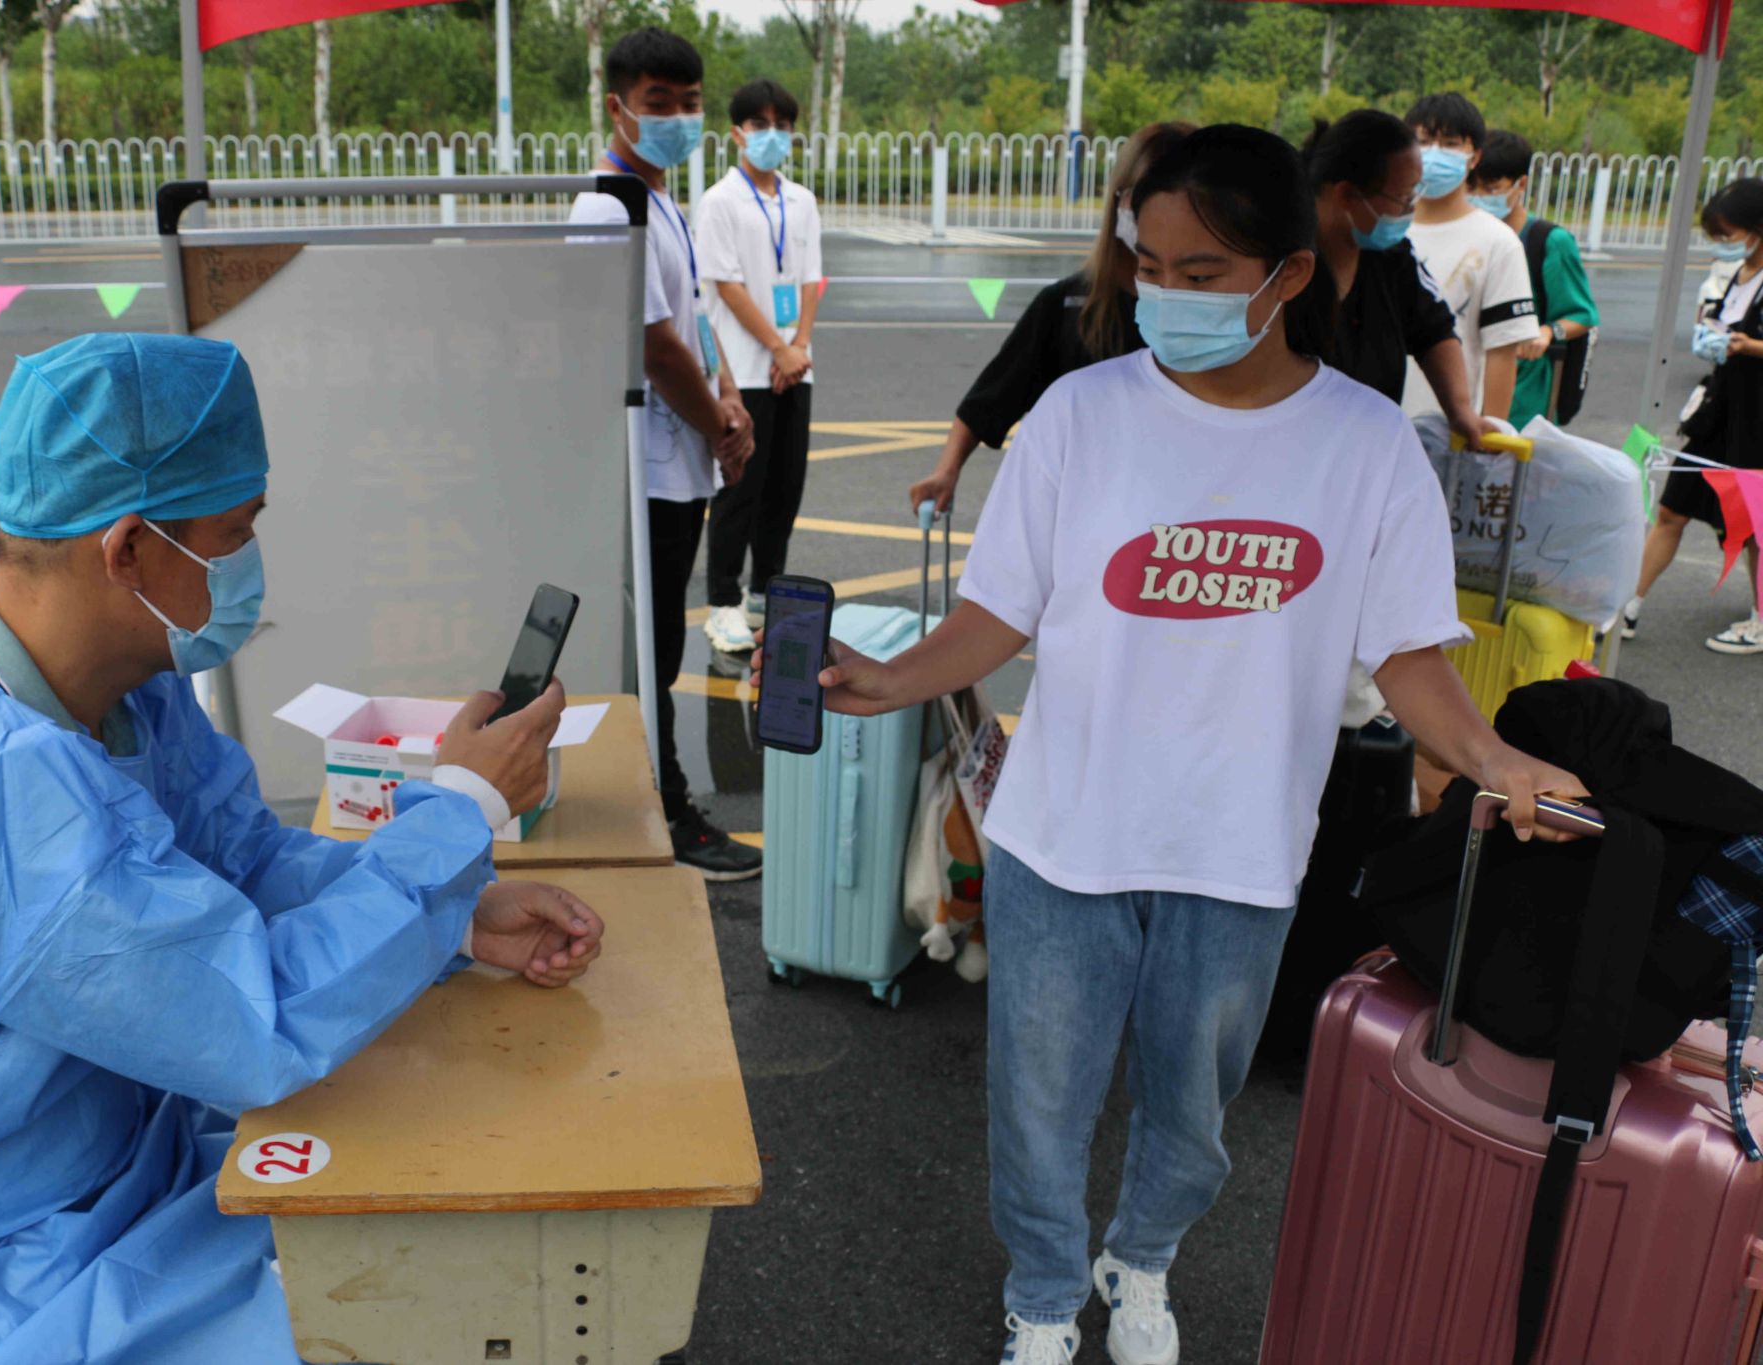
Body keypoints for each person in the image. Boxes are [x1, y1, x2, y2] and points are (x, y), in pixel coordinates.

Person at [759, 124, 1584, 1365]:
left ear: (1286, 274)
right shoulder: (1076, 417)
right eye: (1146, 267)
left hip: (1237, 847)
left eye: (1199, 275)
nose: (1163, 298)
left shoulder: (1364, 446)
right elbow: (995, 615)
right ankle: (1043, 1298)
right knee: (1038, 1102)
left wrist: (1491, 758)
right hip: (1060, 835)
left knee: (1192, 1111)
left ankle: (1138, 1260)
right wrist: (887, 680)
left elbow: (1408, 657)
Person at [0, 332, 608, 1364]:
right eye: (233, 534)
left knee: (454, 1232)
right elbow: (248, 1018)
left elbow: (241, 862)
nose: (248, 567)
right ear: (126, 551)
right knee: (434, 1298)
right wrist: (457, 809)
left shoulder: (108, 687)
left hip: (120, 1154)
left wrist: (451, 917)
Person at [568, 28, 762, 879]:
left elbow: (692, 323)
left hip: (675, 466)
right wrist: (721, 427)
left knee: (660, 646)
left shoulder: (659, 198)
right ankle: (666, 811)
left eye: (690, 103)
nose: (678, 118)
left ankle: (653, 798)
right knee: (646, 652)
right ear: (618, 107)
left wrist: (730, 398)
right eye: (659, 103)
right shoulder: (609, 207)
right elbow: (653, 346)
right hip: (642, 471)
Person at [908, 121, 1194, 515]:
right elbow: (990, 399)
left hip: (1188, 509)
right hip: (1087, 508)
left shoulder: (1222, 316)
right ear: (1120, 202)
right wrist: (947, 470)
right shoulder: (1068, 305)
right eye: (1142, 198)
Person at [696, 78, 825, 656]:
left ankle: (764, 592)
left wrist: (799, 347)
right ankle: (722, 602)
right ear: (737, 133)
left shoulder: (802, 201)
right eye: (760, 125)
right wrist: (777, 348)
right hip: (745, 369)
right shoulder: (720, 201)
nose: (772, 135)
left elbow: (811, 279)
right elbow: (725, 285)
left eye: (782, 125)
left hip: (795, 367)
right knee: (739, 489)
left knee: (784, 487)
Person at [1625, 177, 1763, 654]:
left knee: (1754, 527)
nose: (1721, 243)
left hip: (1756, 423)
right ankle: (1627, 606)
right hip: (1718, 413)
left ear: (1757, 228)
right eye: (1716, 235)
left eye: (1728, 233)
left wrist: (1749, 346)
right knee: (1671, 509)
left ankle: (1760, 621)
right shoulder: (1738, 273)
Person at [1304, 108, 1486, 448]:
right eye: (1402, 197)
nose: (1410, 210)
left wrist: (1460, 410)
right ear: (1345, 194)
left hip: (1370, 450)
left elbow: (1434, 330)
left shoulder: (1392, 257)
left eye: (1414, 194)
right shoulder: (1283, 262)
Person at [1400, 93, 1543, 424]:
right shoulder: (1382, 231)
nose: (1435, 153)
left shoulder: (1498, 243)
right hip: (1375, 425)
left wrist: (1491, 435)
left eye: (1450, 144)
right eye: (1424, 142)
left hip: (1449, 433)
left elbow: (1502, 352)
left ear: (1475, 156)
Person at [1470, 129, 1602, 428]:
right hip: (1468, 380)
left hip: (1524, 391)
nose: (1479, 197)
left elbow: (1582, 315)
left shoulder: (1549, 242)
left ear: (1521, 184)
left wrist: (1547, 332)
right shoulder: (1466, 236)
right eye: (1473, 187)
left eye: (1491, 188)